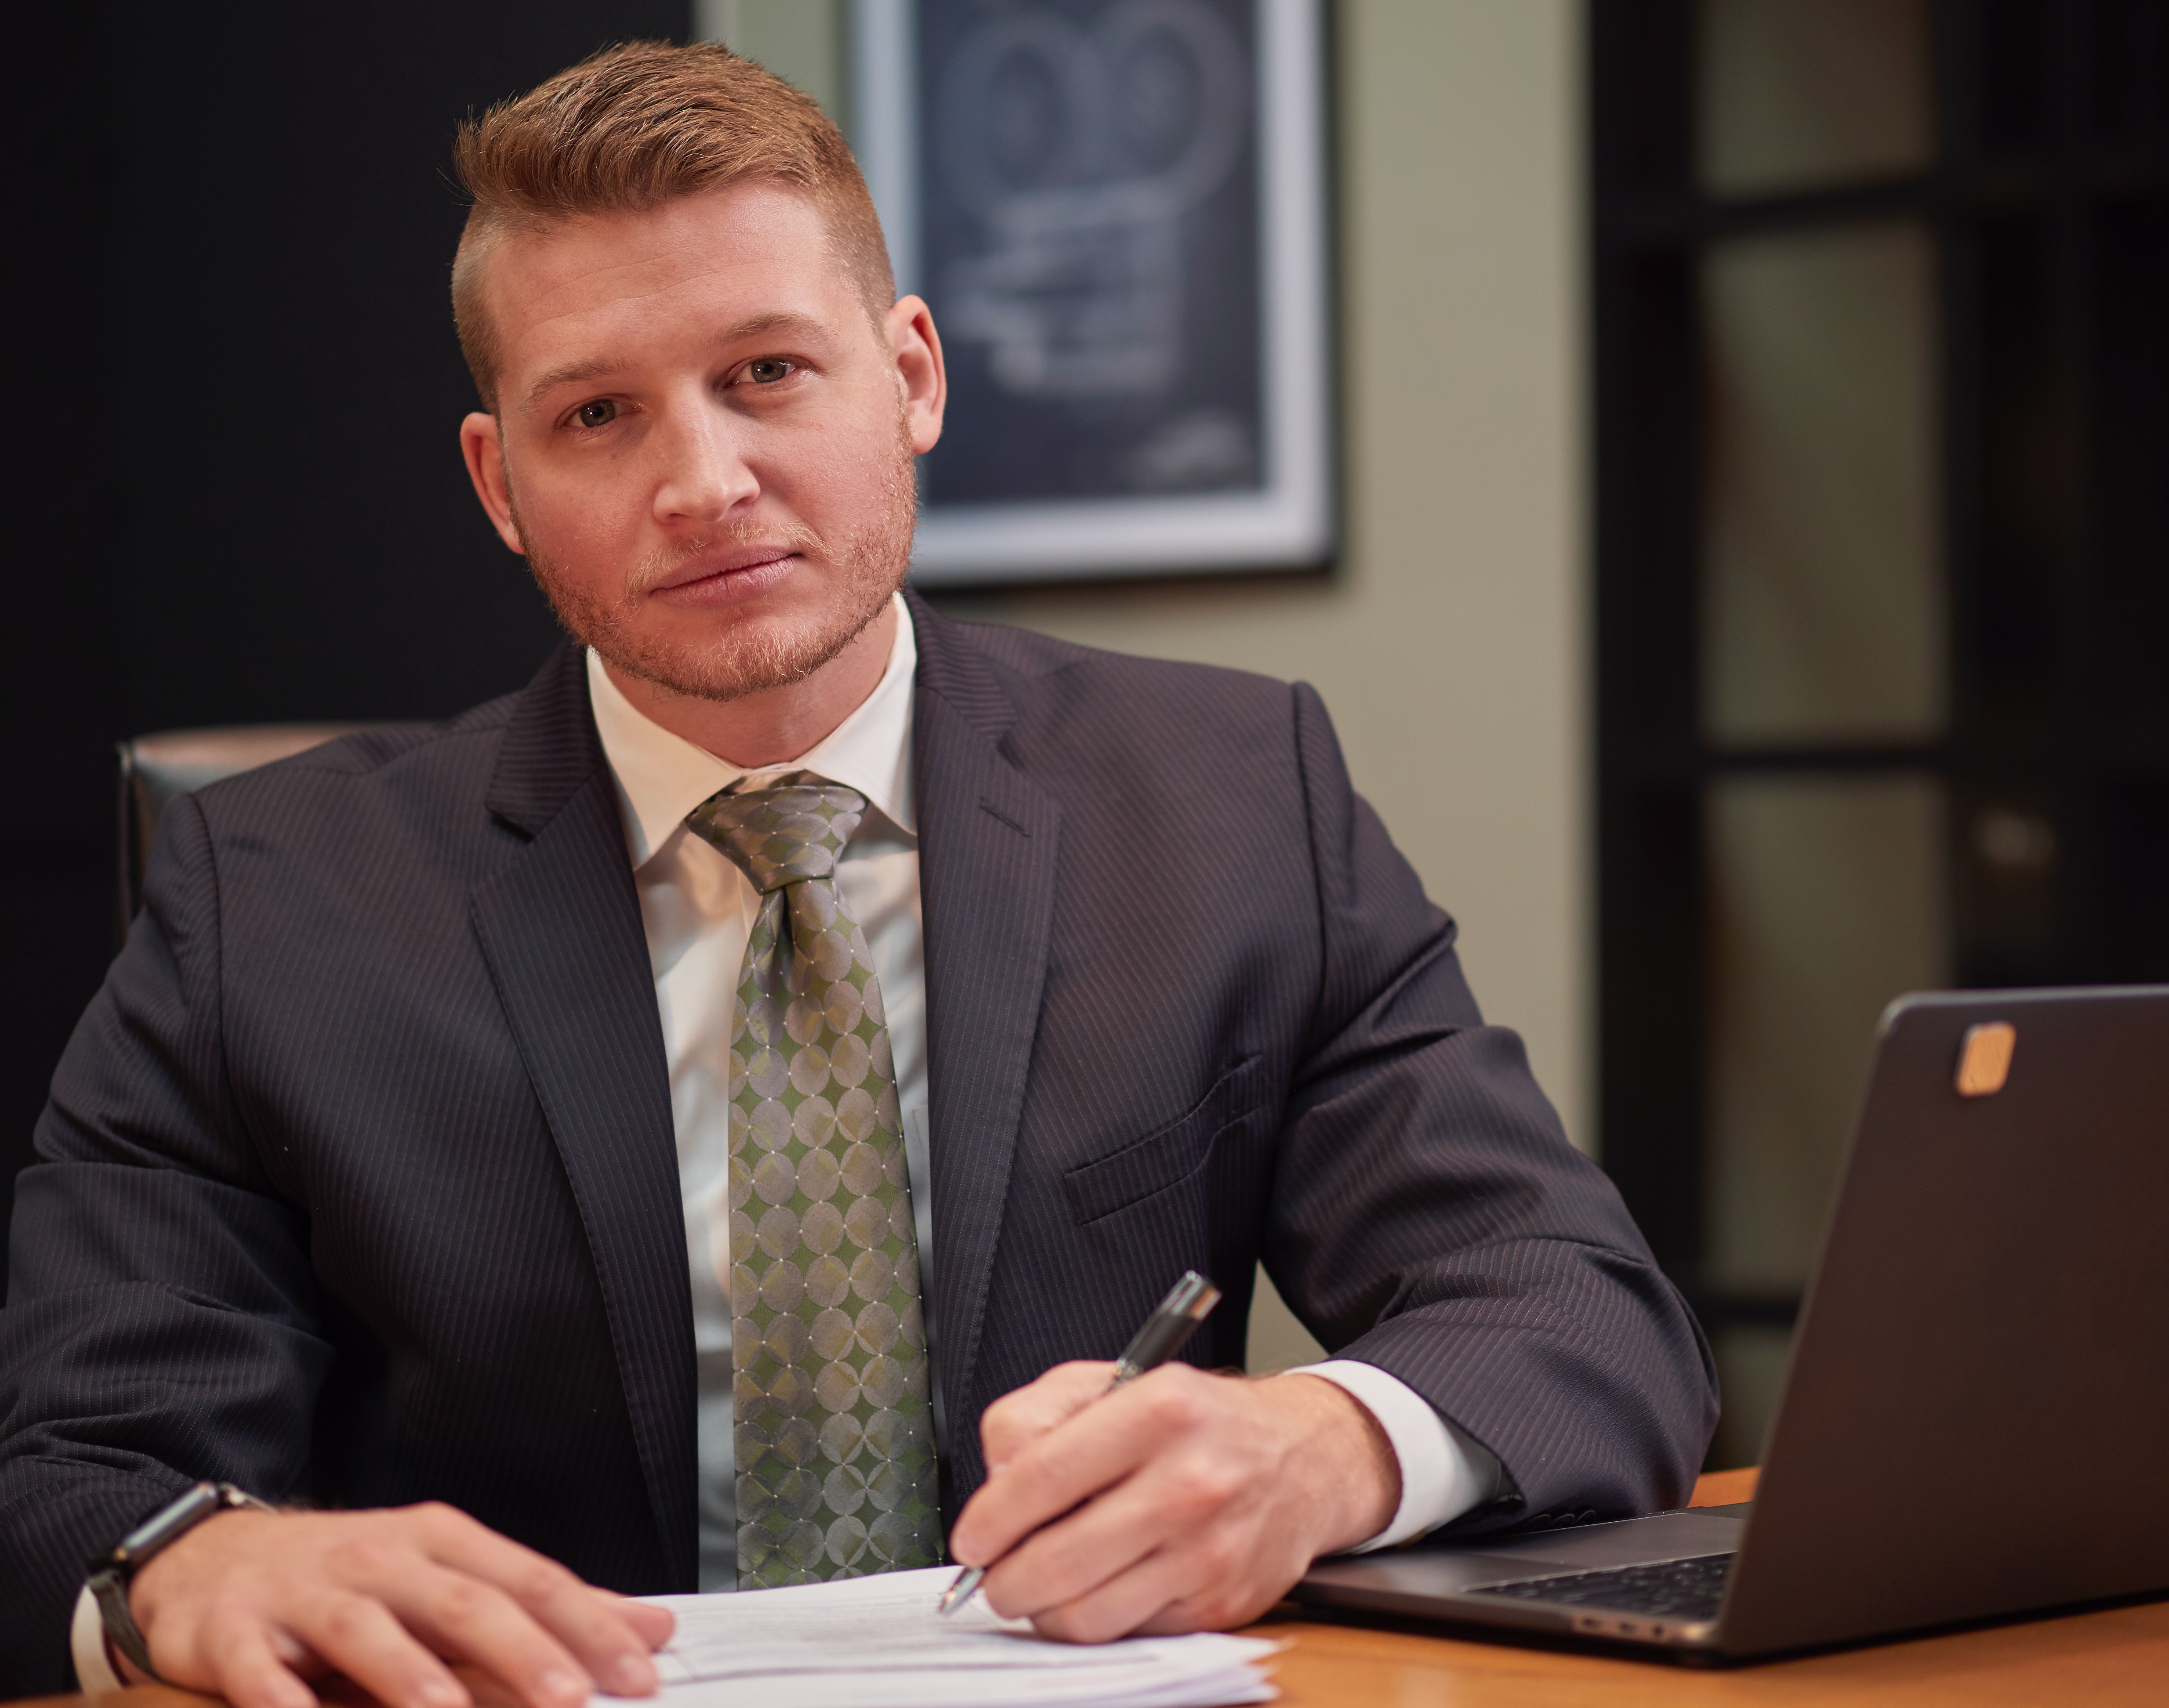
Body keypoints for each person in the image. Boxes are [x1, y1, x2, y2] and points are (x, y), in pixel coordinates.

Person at [0, 40, 1715, 1706]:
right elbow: (75, 1467)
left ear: (911, 376)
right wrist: (186, 1563)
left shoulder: (1229, 798)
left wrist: (1325, 1444)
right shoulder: (267, 898)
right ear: (498, 482)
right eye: (597, 414)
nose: (703, 480)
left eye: (767, 373)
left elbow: (1575, 1309)